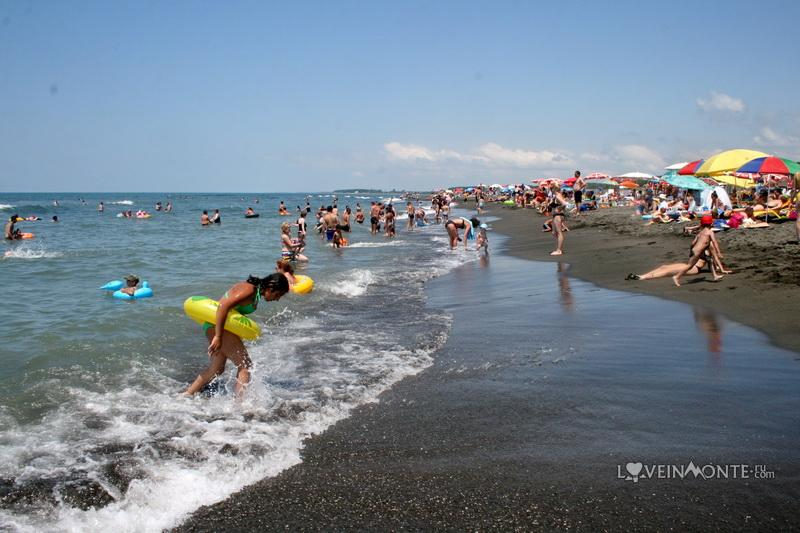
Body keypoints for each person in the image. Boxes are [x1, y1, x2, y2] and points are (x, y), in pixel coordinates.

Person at [182, 273, 289, 397]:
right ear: (271, 287)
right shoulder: (249, 289)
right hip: (217, 328)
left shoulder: (255, 293)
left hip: (217, 327)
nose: (277, 299)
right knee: (245, 366)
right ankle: (240, 406)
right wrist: (218, 336)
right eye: (278, 294)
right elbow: (223, 306)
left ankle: (187, 394)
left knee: (217, 369)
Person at [672, 216, 725, 287]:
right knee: (689, 266)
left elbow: (693, 243)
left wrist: (691, 250)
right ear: (711, 224)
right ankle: (676, 277)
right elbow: (715, 242)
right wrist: (719, 253)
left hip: (697, 251)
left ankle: (715, 276)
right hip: (698, 252)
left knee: (710, 260)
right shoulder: (710, 232)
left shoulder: (700, 232)